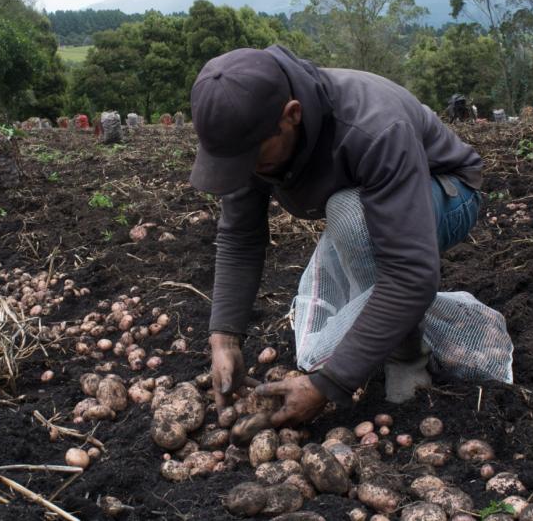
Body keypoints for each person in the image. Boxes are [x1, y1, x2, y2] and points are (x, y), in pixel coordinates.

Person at [189, 45, 483, 427]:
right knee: (353, 218)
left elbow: (410, 273)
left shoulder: (374, 127)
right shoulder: (249, 124)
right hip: (374, 199)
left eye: (252, 158)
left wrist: (328, 383)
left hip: (449, 193)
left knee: (351, 218)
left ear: (291, 116)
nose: (247, 171)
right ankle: (379, 333)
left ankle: (406, 354)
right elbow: (241, 237)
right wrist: (224, 338)